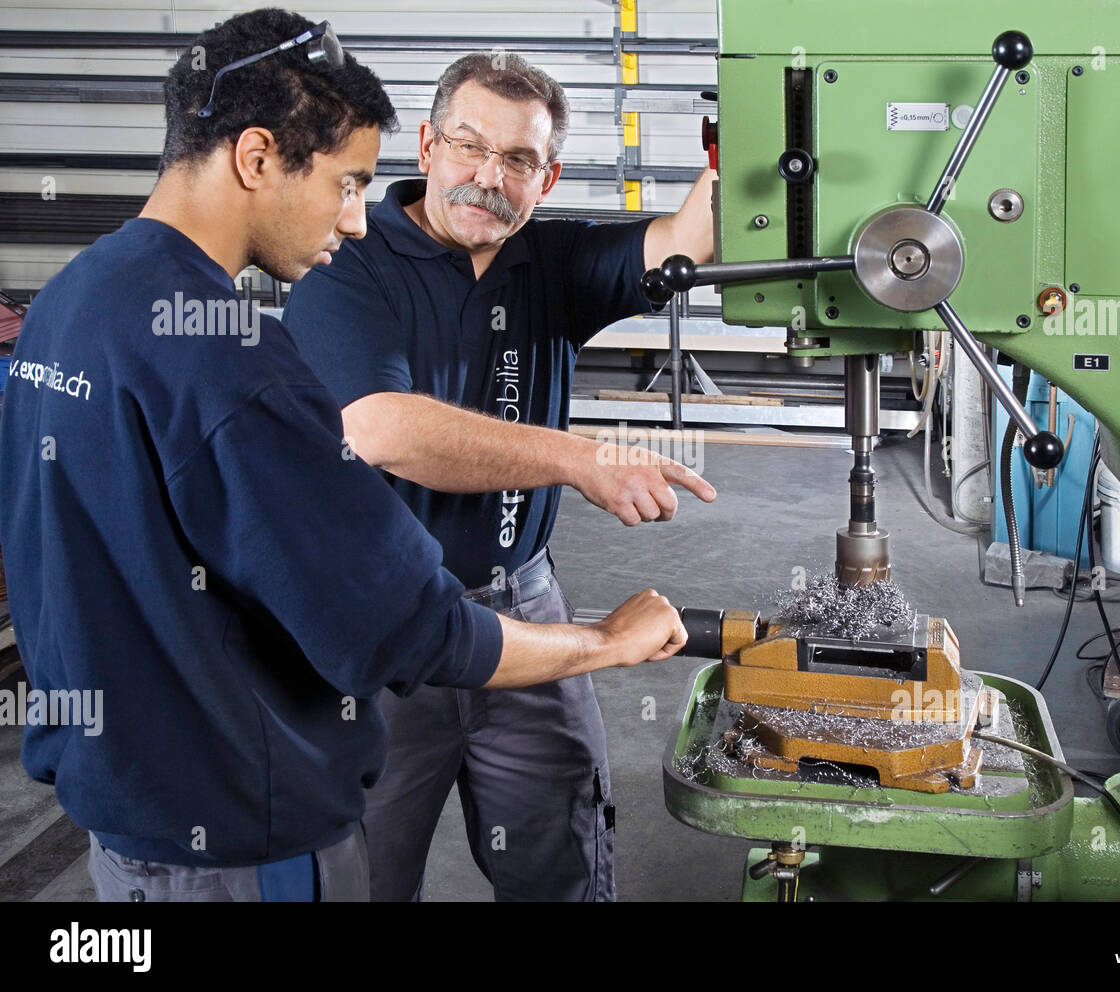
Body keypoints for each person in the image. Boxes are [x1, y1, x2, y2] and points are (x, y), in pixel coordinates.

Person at [0, 9, 686, 903]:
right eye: (348, 182)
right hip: (245, 841)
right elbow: (408, 627)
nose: (358, 220)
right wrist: (604, 642)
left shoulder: (74, 299)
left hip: (129, 825)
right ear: (255, 158)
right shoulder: (237, 368)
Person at [282, 51, 717, 902]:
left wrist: (732, 150)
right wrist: (582, 457)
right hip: (383, 630)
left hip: (525, 605)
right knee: (363, 872)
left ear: (546, 177)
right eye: (469, 146)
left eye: (517, 160)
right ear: (427, 144)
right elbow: (380, 428)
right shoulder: (350, 262)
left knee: (563, 855)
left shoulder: (549, 261)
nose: (489, 177)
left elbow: (683, 243)